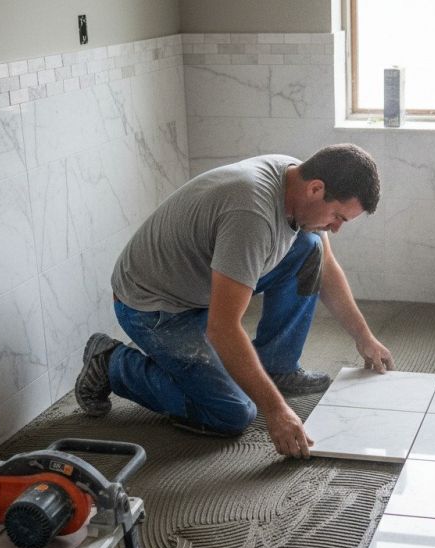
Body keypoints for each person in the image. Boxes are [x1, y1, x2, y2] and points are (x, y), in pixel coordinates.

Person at [74, 144, 394, 458]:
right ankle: (112, 363)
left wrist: (364, 336)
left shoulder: (298, 179)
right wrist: (276, 410)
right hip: (155, 307)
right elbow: (223, 328)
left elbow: (325, 266)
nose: (336, 228)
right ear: (316, 189)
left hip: (200, 284)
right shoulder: (251, 214)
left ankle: (277, 366)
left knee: (310, 247)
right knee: (232, 413)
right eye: (338, 217)